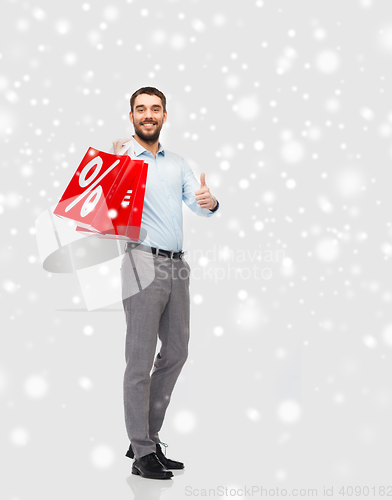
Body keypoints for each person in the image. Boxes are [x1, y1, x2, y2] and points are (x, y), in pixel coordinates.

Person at [113, 87, 220, 480]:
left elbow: (199, 202)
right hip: (140, 260)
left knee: (176, 351)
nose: (148, 115)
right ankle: (142, 452)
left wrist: (209, 202)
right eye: (140, 109)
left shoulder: (177, 163)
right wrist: (115, 160)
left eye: (154, 109)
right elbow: (97, 199)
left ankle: (147, 438)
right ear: (131, 116)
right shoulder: (123, 159)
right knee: (139, 361)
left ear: (164, 115)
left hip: (177, 267)